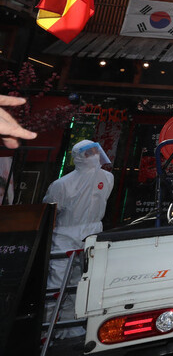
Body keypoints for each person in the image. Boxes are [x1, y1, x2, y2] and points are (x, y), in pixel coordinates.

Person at [43, 140, 113, 338]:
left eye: (95, 151)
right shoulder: (62, 184)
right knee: (57, 284)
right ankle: (47, 327)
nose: (94, 155)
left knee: (81, 283)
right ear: (79, 157)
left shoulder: (107, 177)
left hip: (92, 233)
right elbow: (51, 213)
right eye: (89, 152)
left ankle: (69, 326)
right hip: (65, 235)